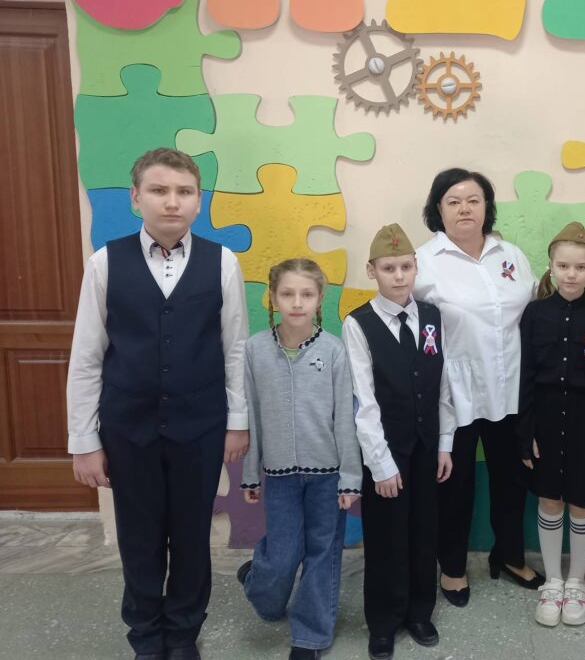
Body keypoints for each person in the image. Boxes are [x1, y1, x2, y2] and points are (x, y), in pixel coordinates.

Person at [67, 148, 249, 660]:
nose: (172, 202)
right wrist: (84, 441)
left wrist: (237, 422)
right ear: (135, 198)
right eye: (159, 190)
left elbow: (234, 348)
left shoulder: (222, 262)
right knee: (139, 537)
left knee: (191, 535)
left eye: (184, 192)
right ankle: (146, 636)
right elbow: (87, 356)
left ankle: (183, 632)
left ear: (198, 201)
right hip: (128, 428)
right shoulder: (105, 263)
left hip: (200, 425)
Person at [413, 168, 543, 607]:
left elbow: (530, 314)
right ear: (438, 209)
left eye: (474, 200)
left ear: (487, 206)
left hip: (511, 389)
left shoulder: (512, 255)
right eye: (453, 201)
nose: (465, 208)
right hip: (456, 393)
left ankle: (509, 556)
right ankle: (452, 566)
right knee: (455, 484)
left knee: (513, 478)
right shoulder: (425, 261)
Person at [237, 258, 362, 660]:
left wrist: (350, 478)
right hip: (280, 476)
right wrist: (250, 473)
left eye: (306, 294)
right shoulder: (255, 350)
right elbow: (252, 414)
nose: (296, 302)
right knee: (283, 555)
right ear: (272, 298)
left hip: (328, 476)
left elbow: (345, 418)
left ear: (319, 298)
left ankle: (309, 636)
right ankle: (260, 582)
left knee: (323, 553)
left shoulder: (334, 350)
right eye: (287, 294)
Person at [343, 224, 456, 660]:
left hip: (427, 447)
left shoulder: (432, 316)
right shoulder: (358, 323)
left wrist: (444, 443)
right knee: (387, 536)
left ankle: (419, 612)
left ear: (416, 267)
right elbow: (363, 399)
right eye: (389, 268)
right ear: (372, 271)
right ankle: (384, 621)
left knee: (425, 530)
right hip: (386, 451)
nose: (399, 275)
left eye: (406, 266)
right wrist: (381, 463)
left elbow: (444, 383)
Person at [517, 223, 585, 627]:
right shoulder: (534, 314)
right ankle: (553, 582)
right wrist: (525, 432)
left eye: (580, 267)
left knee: (582, 502)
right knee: (549, 500)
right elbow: (525, 376)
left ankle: (577, 582)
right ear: (550, 266)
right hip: (544, 421)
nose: (571, 274)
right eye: (563, 266)